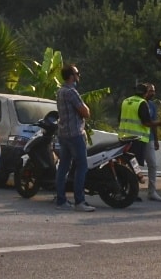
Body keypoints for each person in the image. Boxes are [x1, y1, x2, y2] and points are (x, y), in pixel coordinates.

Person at [54, 64, 95, 211]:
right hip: (75, 134)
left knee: (63, 167)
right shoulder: (71, 92)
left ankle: (61, 200)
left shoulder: (60, 91)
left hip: (63, 134)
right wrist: (86, 109)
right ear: (72, 76)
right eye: (77, 73)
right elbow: (85, 112)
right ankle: (80, 201)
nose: (78, 76)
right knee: (82, 167)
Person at [138, 83, 161, 200]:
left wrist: (155, 140)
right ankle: (133, 191)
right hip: (137, 139)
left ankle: (152, 191)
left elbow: (153, 123)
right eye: (150, 91)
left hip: (148, 138)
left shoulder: (152, 106)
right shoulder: (139, 103)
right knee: (135, 166)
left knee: (152, 165)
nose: (152, 93)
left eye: (154, 91)